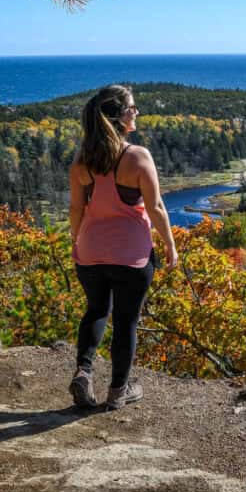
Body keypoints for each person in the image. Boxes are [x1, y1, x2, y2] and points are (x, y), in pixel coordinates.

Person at [68, 84, 178, 410]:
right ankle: (118, 391)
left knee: (96, 310)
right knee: (126, 320)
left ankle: (84, 372)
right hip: (131, 256)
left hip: (90, 251)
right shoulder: (137, 157)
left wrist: (78, 240)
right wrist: (170, 246)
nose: (137, 113)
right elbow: (156, 207)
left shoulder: (82, 160)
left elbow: (76, 209)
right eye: (132, 108)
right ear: (119, 116)